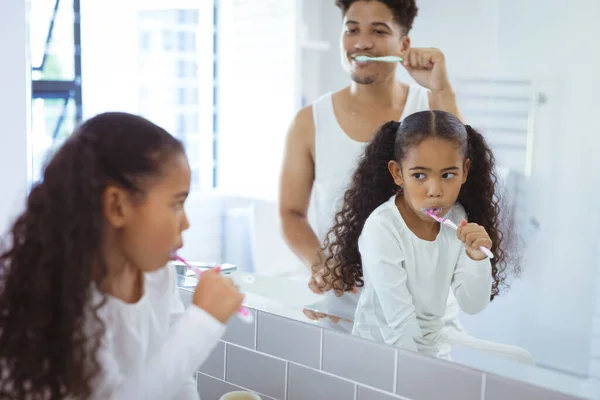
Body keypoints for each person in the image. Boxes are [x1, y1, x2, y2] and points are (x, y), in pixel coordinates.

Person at [0, 112, 244, 399]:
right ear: (117, 206)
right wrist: (204, 321)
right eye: (176, 204)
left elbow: (177, 375)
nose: (186, 223)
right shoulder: (63, 300)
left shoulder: (157, 275)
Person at [279, 0, 464, 295]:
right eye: (351, 30)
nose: (361, 43)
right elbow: (290, 213)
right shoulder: (309, 122)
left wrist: (441, 90)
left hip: (422, 310)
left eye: (378, 32)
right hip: (343, 306)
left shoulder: (430, 108)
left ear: (403, 45)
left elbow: (465, 182)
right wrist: (323, 266)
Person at [320, 110, 514, 359]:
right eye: (419, 175)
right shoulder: (383, 228)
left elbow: (473, 305)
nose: (435, 191)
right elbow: (399, 325)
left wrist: (477, 258)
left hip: (431, 354)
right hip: (380, 355)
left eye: (447, 175)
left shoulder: (457, 218)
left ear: (465, 171)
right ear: (398, 173)